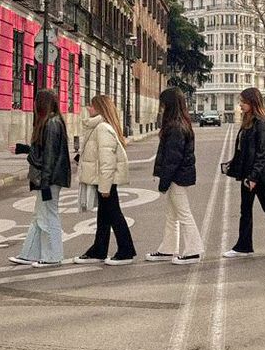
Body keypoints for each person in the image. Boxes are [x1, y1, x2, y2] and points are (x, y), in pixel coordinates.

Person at [223, 87, 265, 258]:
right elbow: (243, 149)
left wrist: (253, 176)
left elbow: (263, 152)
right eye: (241, 101)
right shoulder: (248, 121)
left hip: (258, 175)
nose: (241, 105)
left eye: (244, 102)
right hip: (248, 173)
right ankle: (243, 246)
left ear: (253, 102)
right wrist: (233, 165)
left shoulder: (261, 123)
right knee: (245, 209)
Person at [9, 88, 71, 268]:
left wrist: (44, 183)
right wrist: (24, 149)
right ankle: (29, 254)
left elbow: (50, 156)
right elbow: (45, 150)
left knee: (48, 216)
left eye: (36, 101)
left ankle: (53, 256)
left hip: (49, 180)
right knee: (39, 216)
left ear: (41, 103)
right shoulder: (52, 121)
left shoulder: (51, 123)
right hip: (48, 178)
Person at [73, 94, 136, 265]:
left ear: (99, 108)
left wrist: (105, 186)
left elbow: (108, 160)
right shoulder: (99, 127)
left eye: (92, 106)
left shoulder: (102, 128)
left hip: (106, 180)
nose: (88, 108)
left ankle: (125, 251)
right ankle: (99, 250)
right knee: (105, 215)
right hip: (103, 179)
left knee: (114, 214)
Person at [147, 87, 202, 264]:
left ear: (169, 105)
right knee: (172, 215)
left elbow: (173, 158)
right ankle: (168, 248)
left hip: (177, 177)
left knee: (183, 214)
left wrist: (164, 181)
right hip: (178, 175)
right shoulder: (179, 124)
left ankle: (193, 250)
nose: (161, 107)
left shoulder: (175, 127)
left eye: (163, 104)